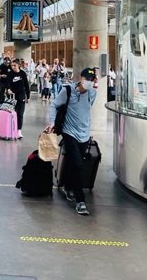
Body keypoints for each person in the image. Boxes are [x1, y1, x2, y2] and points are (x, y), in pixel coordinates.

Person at [45, 68, 98, 216]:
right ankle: (80, 201)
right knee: (78, 164)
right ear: (80, 78)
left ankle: (67, 186)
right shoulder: (68, 91)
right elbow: (55, 105)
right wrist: (52, 122)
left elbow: (87, 110)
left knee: (75, 163)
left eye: (92, 80)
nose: (89, 82)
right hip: (69, 132)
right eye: (87, 78)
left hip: (84, 134)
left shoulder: (93, 93)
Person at [6, 59, 30, 139]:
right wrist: (8, 89)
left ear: (18, 65)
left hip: (21, 96)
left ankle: (19, 130)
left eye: (14, 65)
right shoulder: (10, 74)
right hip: (12, 97)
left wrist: (28, 96)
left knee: (20, 114)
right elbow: (8, 82)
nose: (13, 67)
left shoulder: (23, 73)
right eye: (12, 66)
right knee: (11, 113)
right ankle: (11, 129)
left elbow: (26, 85)